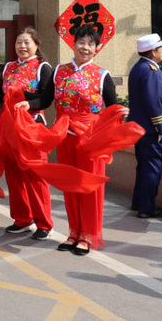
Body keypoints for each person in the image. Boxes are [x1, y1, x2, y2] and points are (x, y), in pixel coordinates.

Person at [53, 28, 123, 255]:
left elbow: (113, 106)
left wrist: (123, 113)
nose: (85, 47)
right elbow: (44, 99)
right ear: (73, 44)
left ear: (96, 49)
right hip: (65, 136)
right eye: (81, 42)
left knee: (89, 188)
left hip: (90, 140)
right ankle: (73, 232)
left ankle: (87, 235)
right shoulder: (59, 71)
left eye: (90, 44)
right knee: (70, 186)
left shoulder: (102, 75)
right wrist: (26, 102)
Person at [0, 27, 55, 239]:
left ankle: (44, 223)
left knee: (35, 175)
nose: (22, 46)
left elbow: (46, 99)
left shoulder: (43, 67)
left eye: (27, 42)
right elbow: (0, 95)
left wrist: (25, 99)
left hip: (32, 126)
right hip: (9, 126)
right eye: (19, 42)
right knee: (14, 175)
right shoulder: (8, 67)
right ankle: (22, 218)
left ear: (36, 45)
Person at [127, 33, 162, 219]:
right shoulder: (150, 71)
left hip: (142, 128)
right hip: (151, 129)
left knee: (144, 166)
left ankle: (139, 201)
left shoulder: (139, 67)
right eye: (161, 48)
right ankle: (147, 207)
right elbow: (153, 102)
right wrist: (161, 127)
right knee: (152, 167)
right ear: (153, 52)